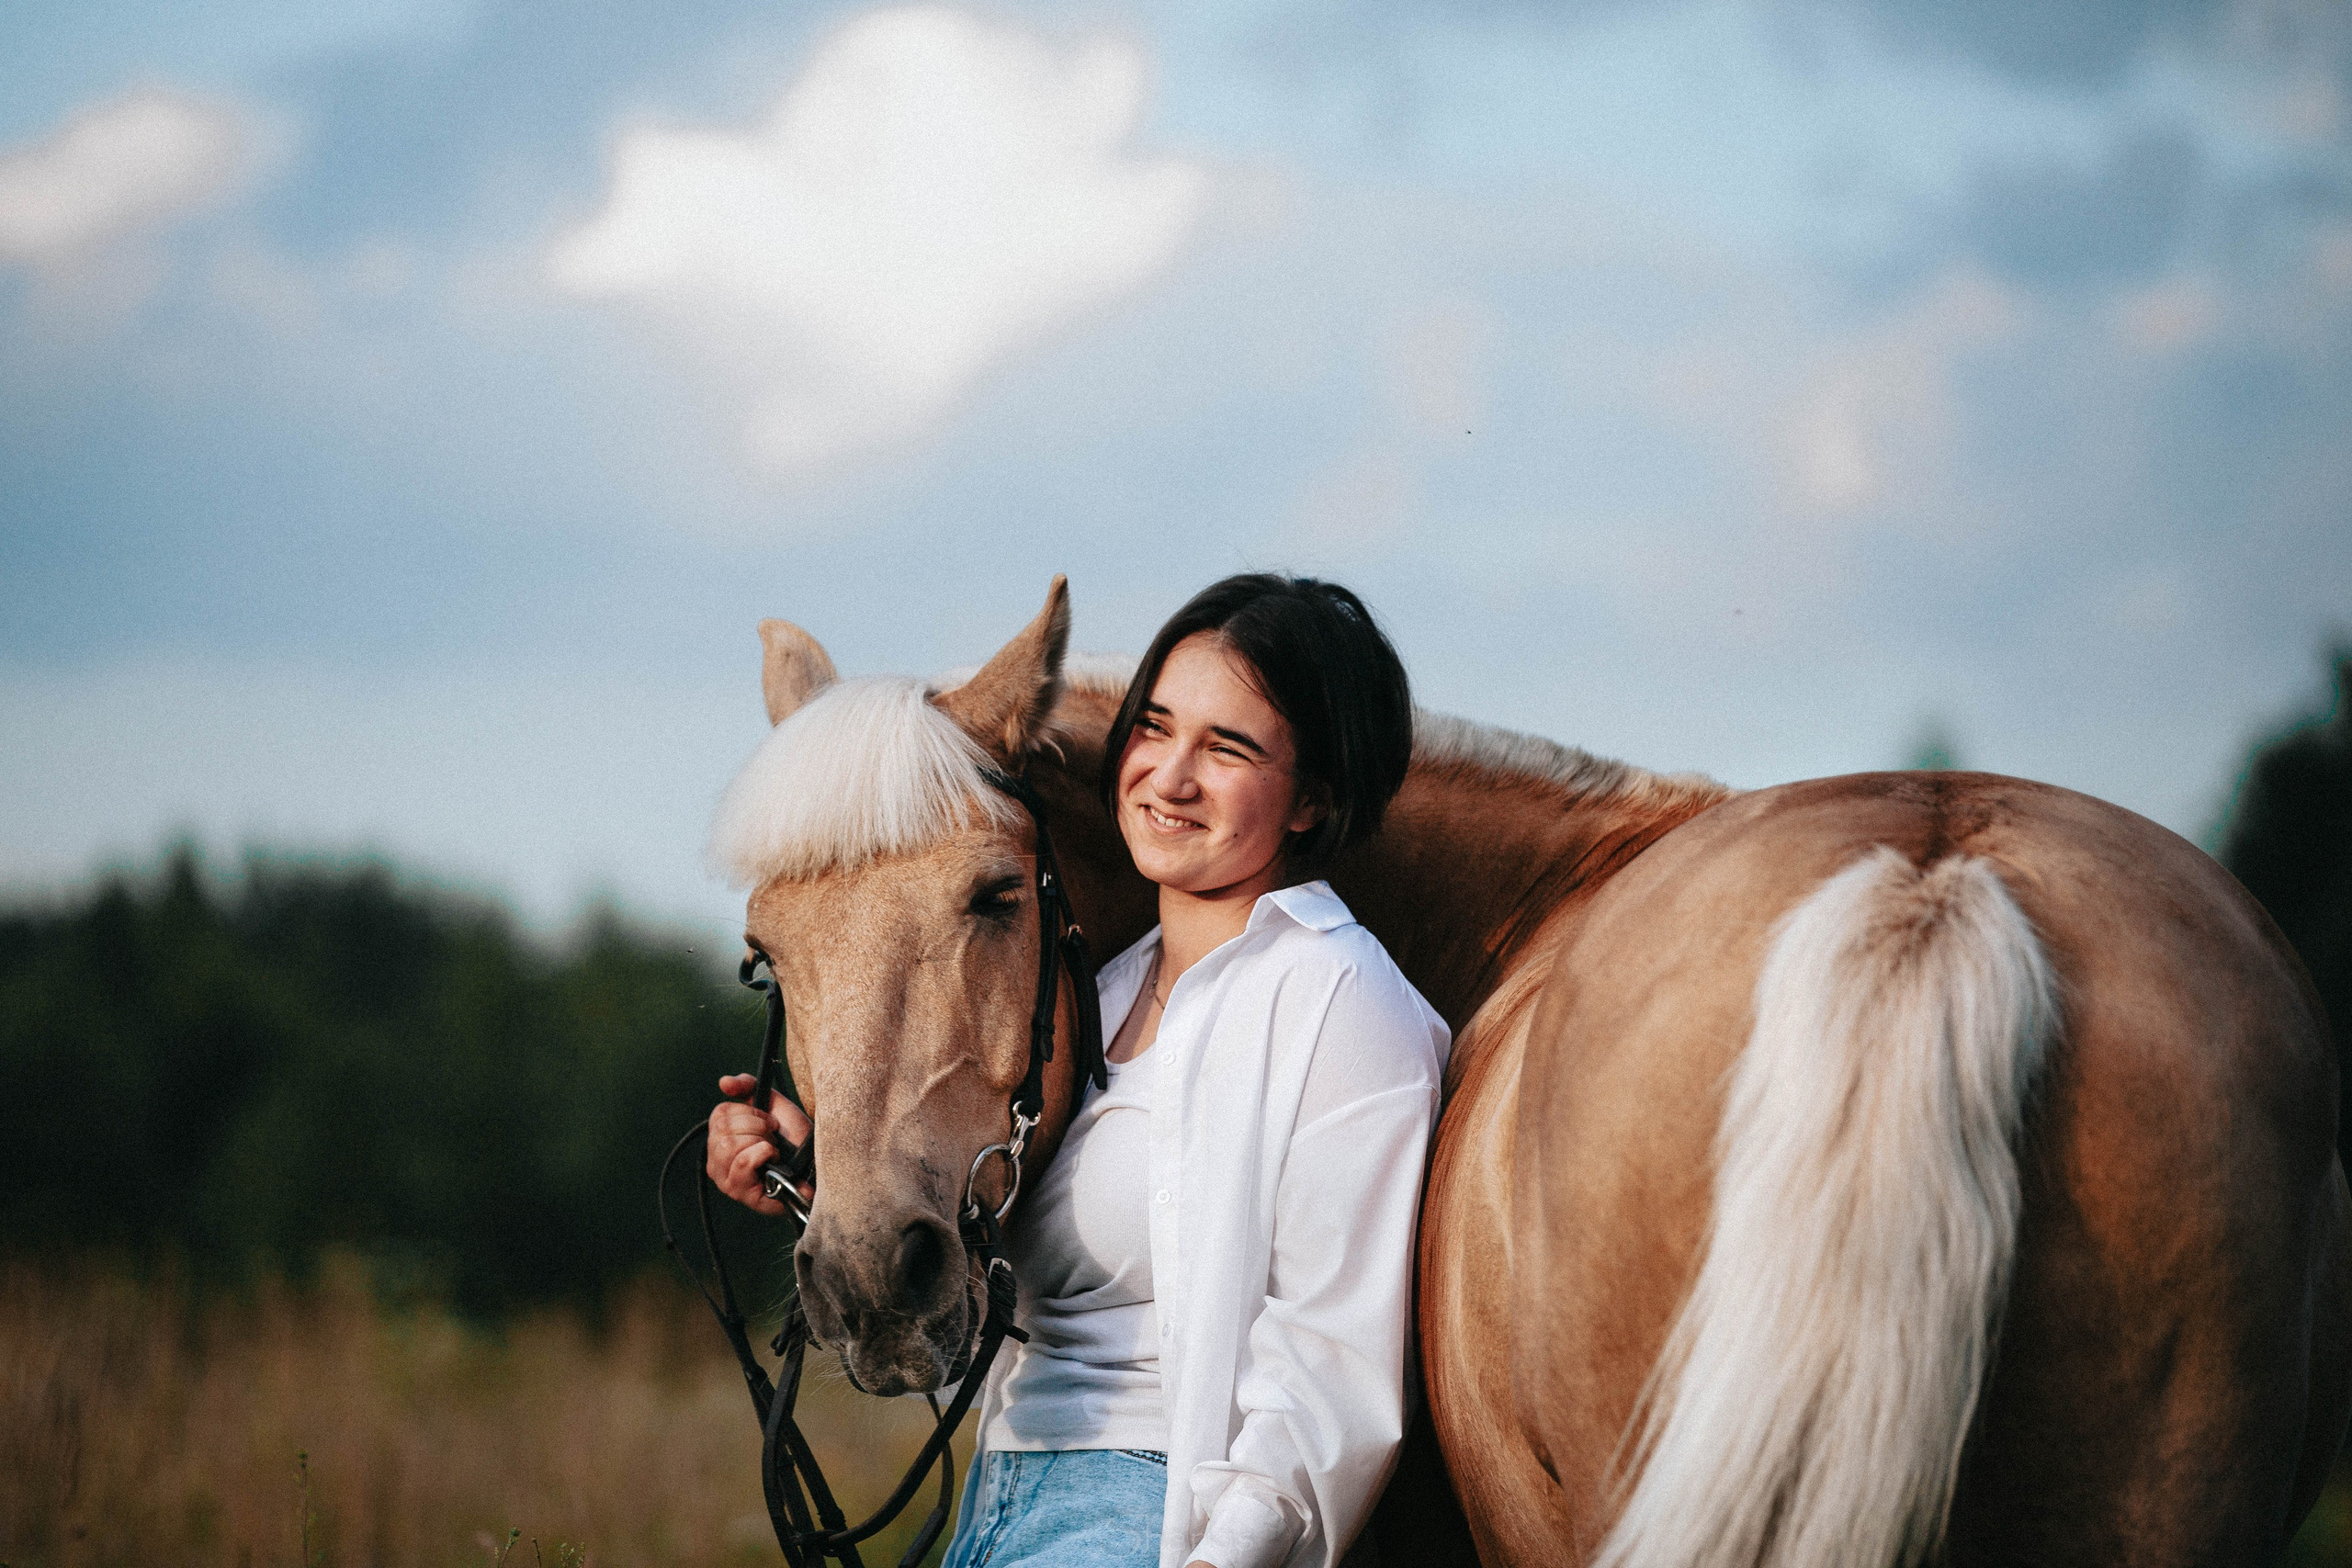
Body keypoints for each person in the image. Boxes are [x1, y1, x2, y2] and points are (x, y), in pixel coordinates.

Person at [712, 574, 1450, 1568]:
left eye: (1227, 747)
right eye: (1154, 728)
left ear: (1313, 797)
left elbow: (1332, 1370)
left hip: (1152, 1512)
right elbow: (998, 1280)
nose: (1169, 777)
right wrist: (821, 1178)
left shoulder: (1338, 1001)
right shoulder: (1094, 993)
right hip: (998, 1501)